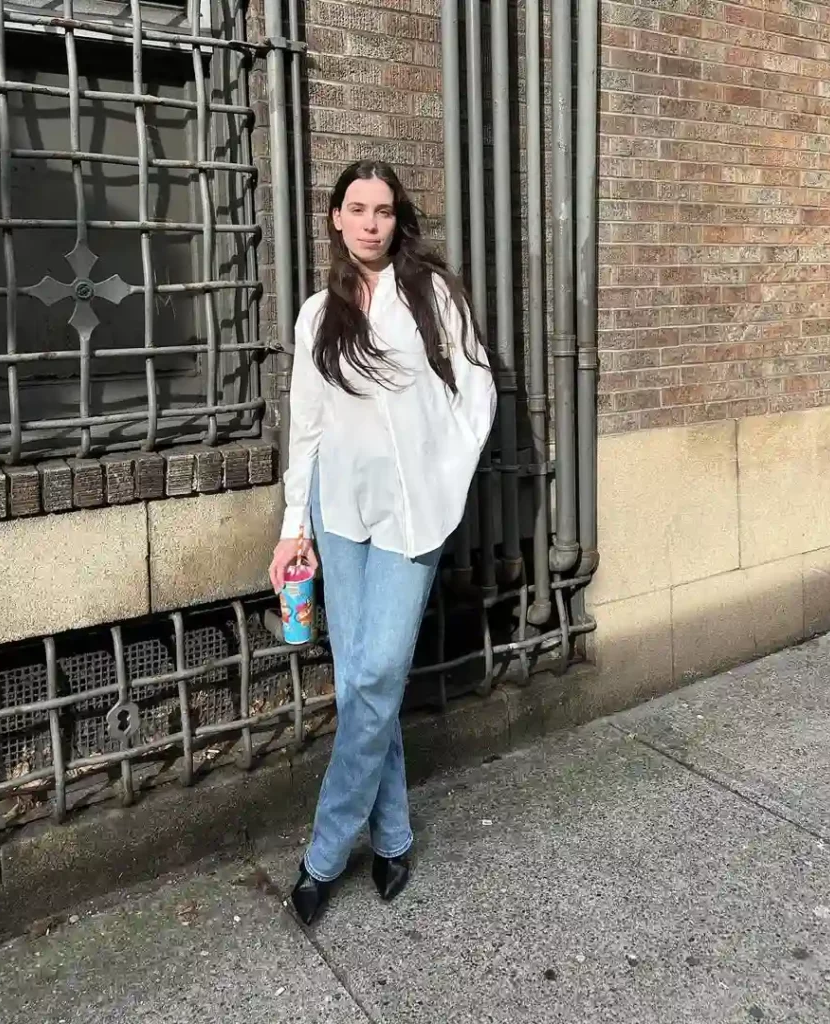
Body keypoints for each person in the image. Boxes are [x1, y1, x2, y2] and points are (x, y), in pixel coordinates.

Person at [268, 160, 497, 925]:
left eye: (385, 211)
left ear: (399, 221)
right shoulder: (314, 316)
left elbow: (478, 393)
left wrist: (444, 476)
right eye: (357, 209)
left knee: (376, 672)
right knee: (364, 676)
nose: (371, 223)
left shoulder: (432, 297)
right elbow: (304, 427)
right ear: (335, 218)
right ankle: (393, 835)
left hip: (412, 515)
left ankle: (324, 853)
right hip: (340, 510)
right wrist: (293, 528)